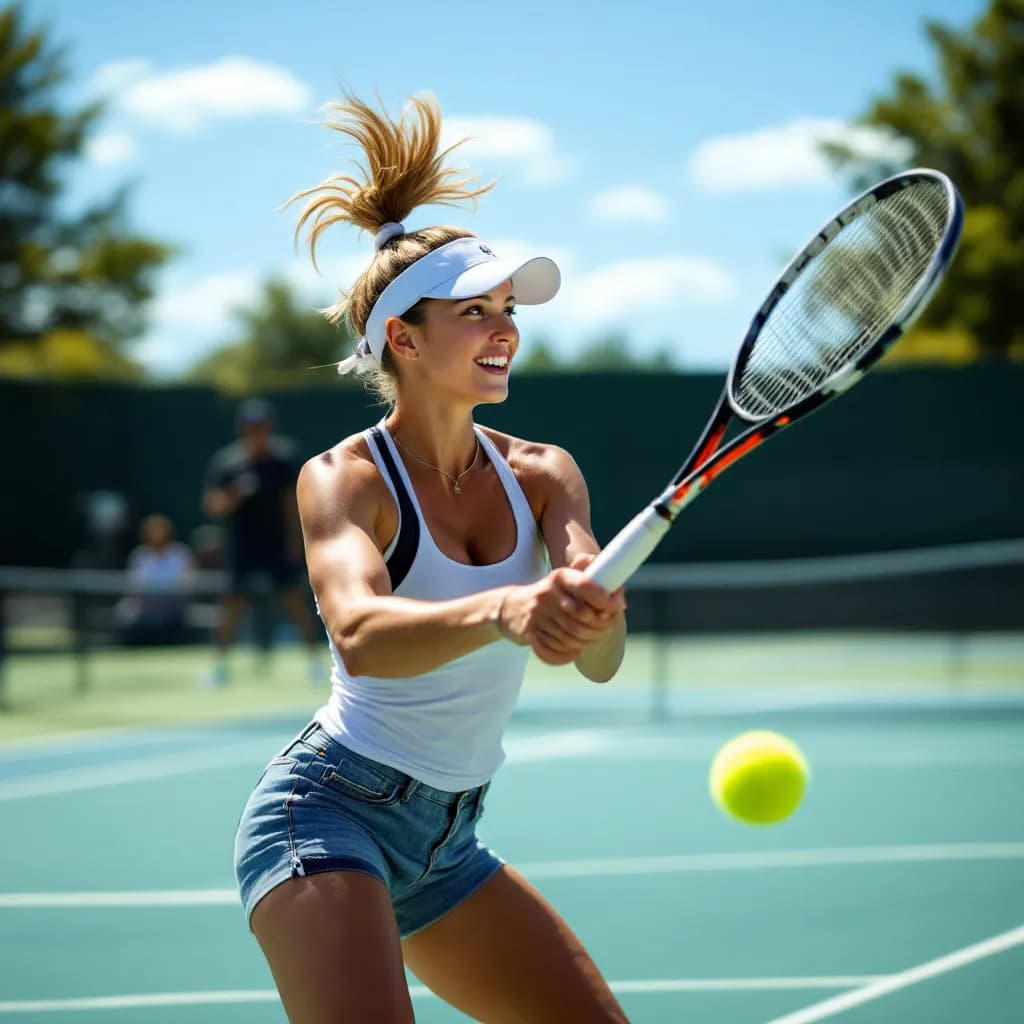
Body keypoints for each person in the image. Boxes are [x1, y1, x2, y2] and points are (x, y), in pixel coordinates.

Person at [233, 93, 630, 1024]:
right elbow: (364, 636)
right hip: (327, 816)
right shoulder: (342, 480)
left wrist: (592, 618)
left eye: (508, 310)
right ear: (402, 339)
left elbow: (602, 660)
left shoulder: (544, 473)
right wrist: (504, 610)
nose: (506, 330)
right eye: (475, 311)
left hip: (451, 842)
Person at [201, 398, 322, 685]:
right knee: (231, 603)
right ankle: (218, 668)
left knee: (294, 600)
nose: (257, 431)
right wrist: (235, 496)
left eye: (262, 425)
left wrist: (297, 543)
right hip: (242, 545)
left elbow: (292, 505)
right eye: (251, 426)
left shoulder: (283, 461)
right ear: (242, 429)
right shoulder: (227, 463)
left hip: (278, 545)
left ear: (270, 427)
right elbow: (213, 506)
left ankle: (315, 662)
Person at [115, 513, 194, 646]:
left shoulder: (180, 553)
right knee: (123, 610)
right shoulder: (139, 555)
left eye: (160, 529)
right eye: (152, 530)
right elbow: (134, 585)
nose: (157, 534)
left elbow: (188, 582)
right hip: (145, 608)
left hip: (173, 608)